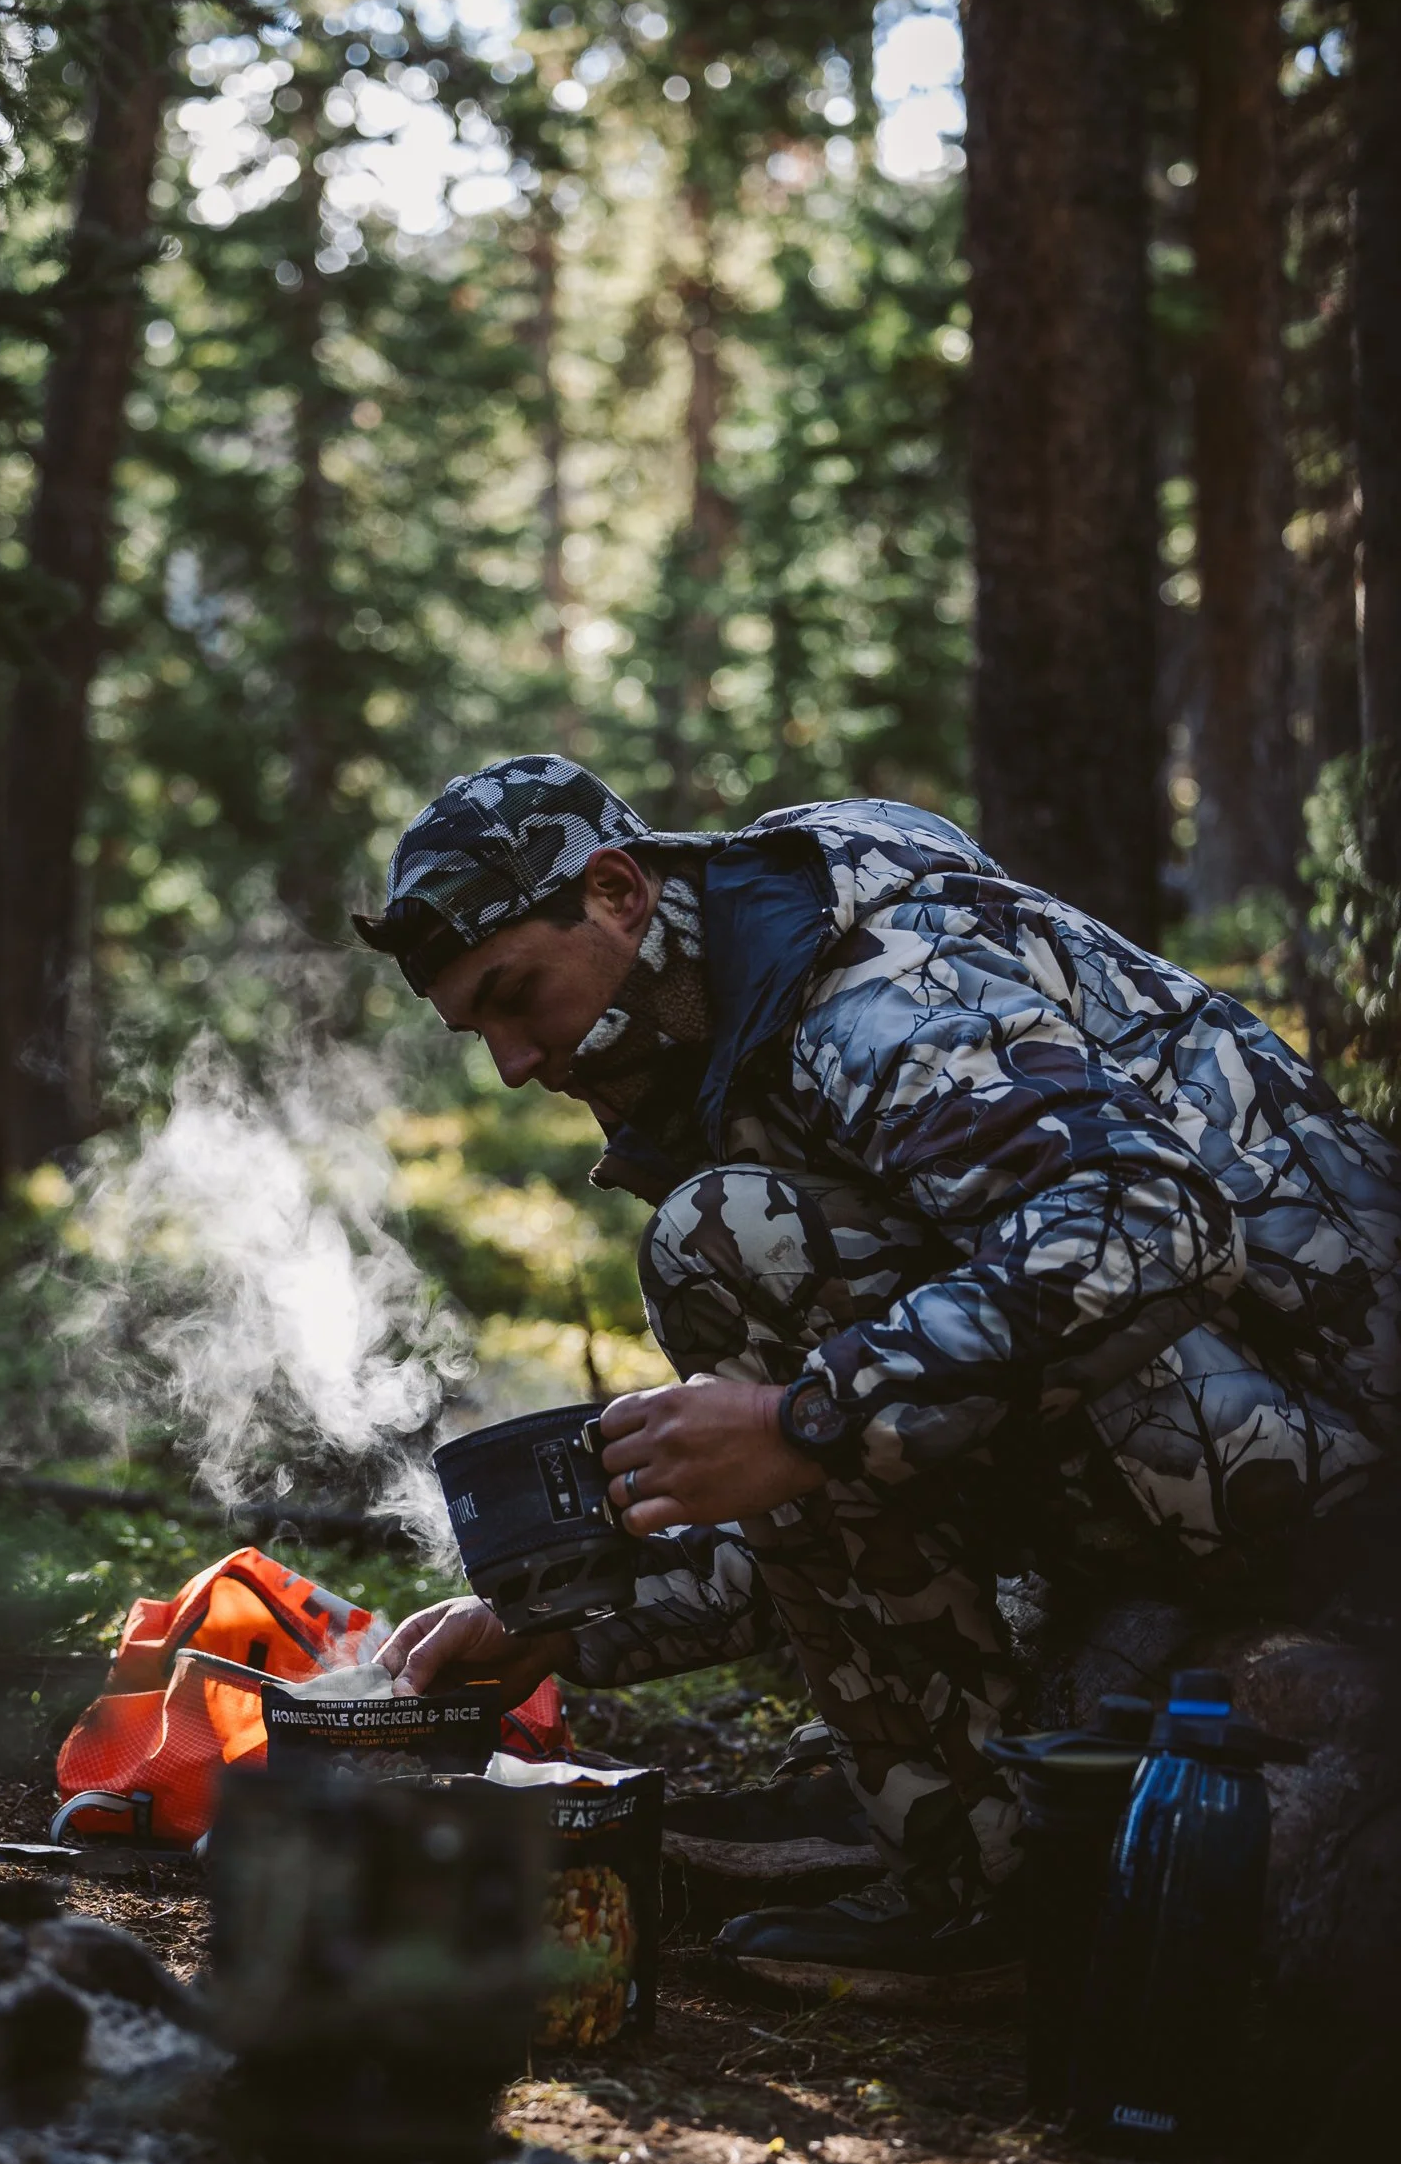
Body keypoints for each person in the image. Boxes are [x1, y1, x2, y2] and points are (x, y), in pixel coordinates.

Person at [358, 757, 1401, 1991]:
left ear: (618, 892)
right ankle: (978, 1875)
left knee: (724, 1240)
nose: (515, 1064)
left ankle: (985, 1893)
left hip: (1334, 1455)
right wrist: (566, 1625)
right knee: (735, 1256)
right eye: (478, 1030)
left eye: (515, 996)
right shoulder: (737, 1007)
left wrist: (807, 1414)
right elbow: (849, 1496)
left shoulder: (866, 986)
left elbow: (1142, 1222)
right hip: (1220, 1433)